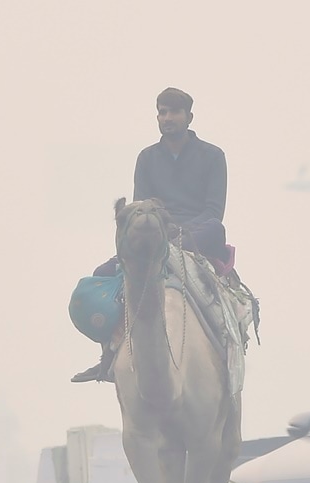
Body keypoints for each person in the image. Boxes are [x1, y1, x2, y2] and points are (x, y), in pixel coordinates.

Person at [72, 86, 230, 383]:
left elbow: (213, 210)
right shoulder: (147, 158)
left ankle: (225, 350)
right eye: (162, 112)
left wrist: (177, 235)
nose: (167, 118)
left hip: (196, 235)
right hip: (154, 233)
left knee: (215, 229)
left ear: (189, 117)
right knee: (102, 274)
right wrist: (155, 233)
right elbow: (140, 207)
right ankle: (108, 354)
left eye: (173, 112)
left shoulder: (212, 156)